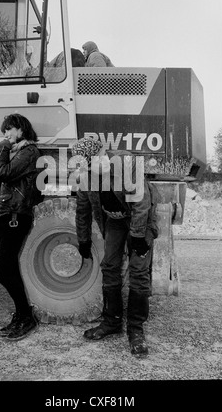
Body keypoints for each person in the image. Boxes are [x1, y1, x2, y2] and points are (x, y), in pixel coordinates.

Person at [71, 137, 159, 357]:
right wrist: (83, 239)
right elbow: (82, 210)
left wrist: (138, 236)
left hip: (140, 219)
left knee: (138, 271)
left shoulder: (125, 163)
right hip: (115, 222)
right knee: (110, 266)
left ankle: (136, 330)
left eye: (94, 163)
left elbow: (142, 201)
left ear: (102, 153)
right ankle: (112, 322)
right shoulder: (86, 176)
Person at [0, 113, 40, 341]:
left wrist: (1, 149)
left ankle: (26, 316)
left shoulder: (29, 152)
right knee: (8, 268)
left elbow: (3, 173)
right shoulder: (12, 151)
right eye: (4, 132)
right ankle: (22, 315)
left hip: (15, 215)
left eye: (9, 130)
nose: (6, 135)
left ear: (21, 129)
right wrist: (2, 152)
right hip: (4, 214)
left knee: (3, 271)